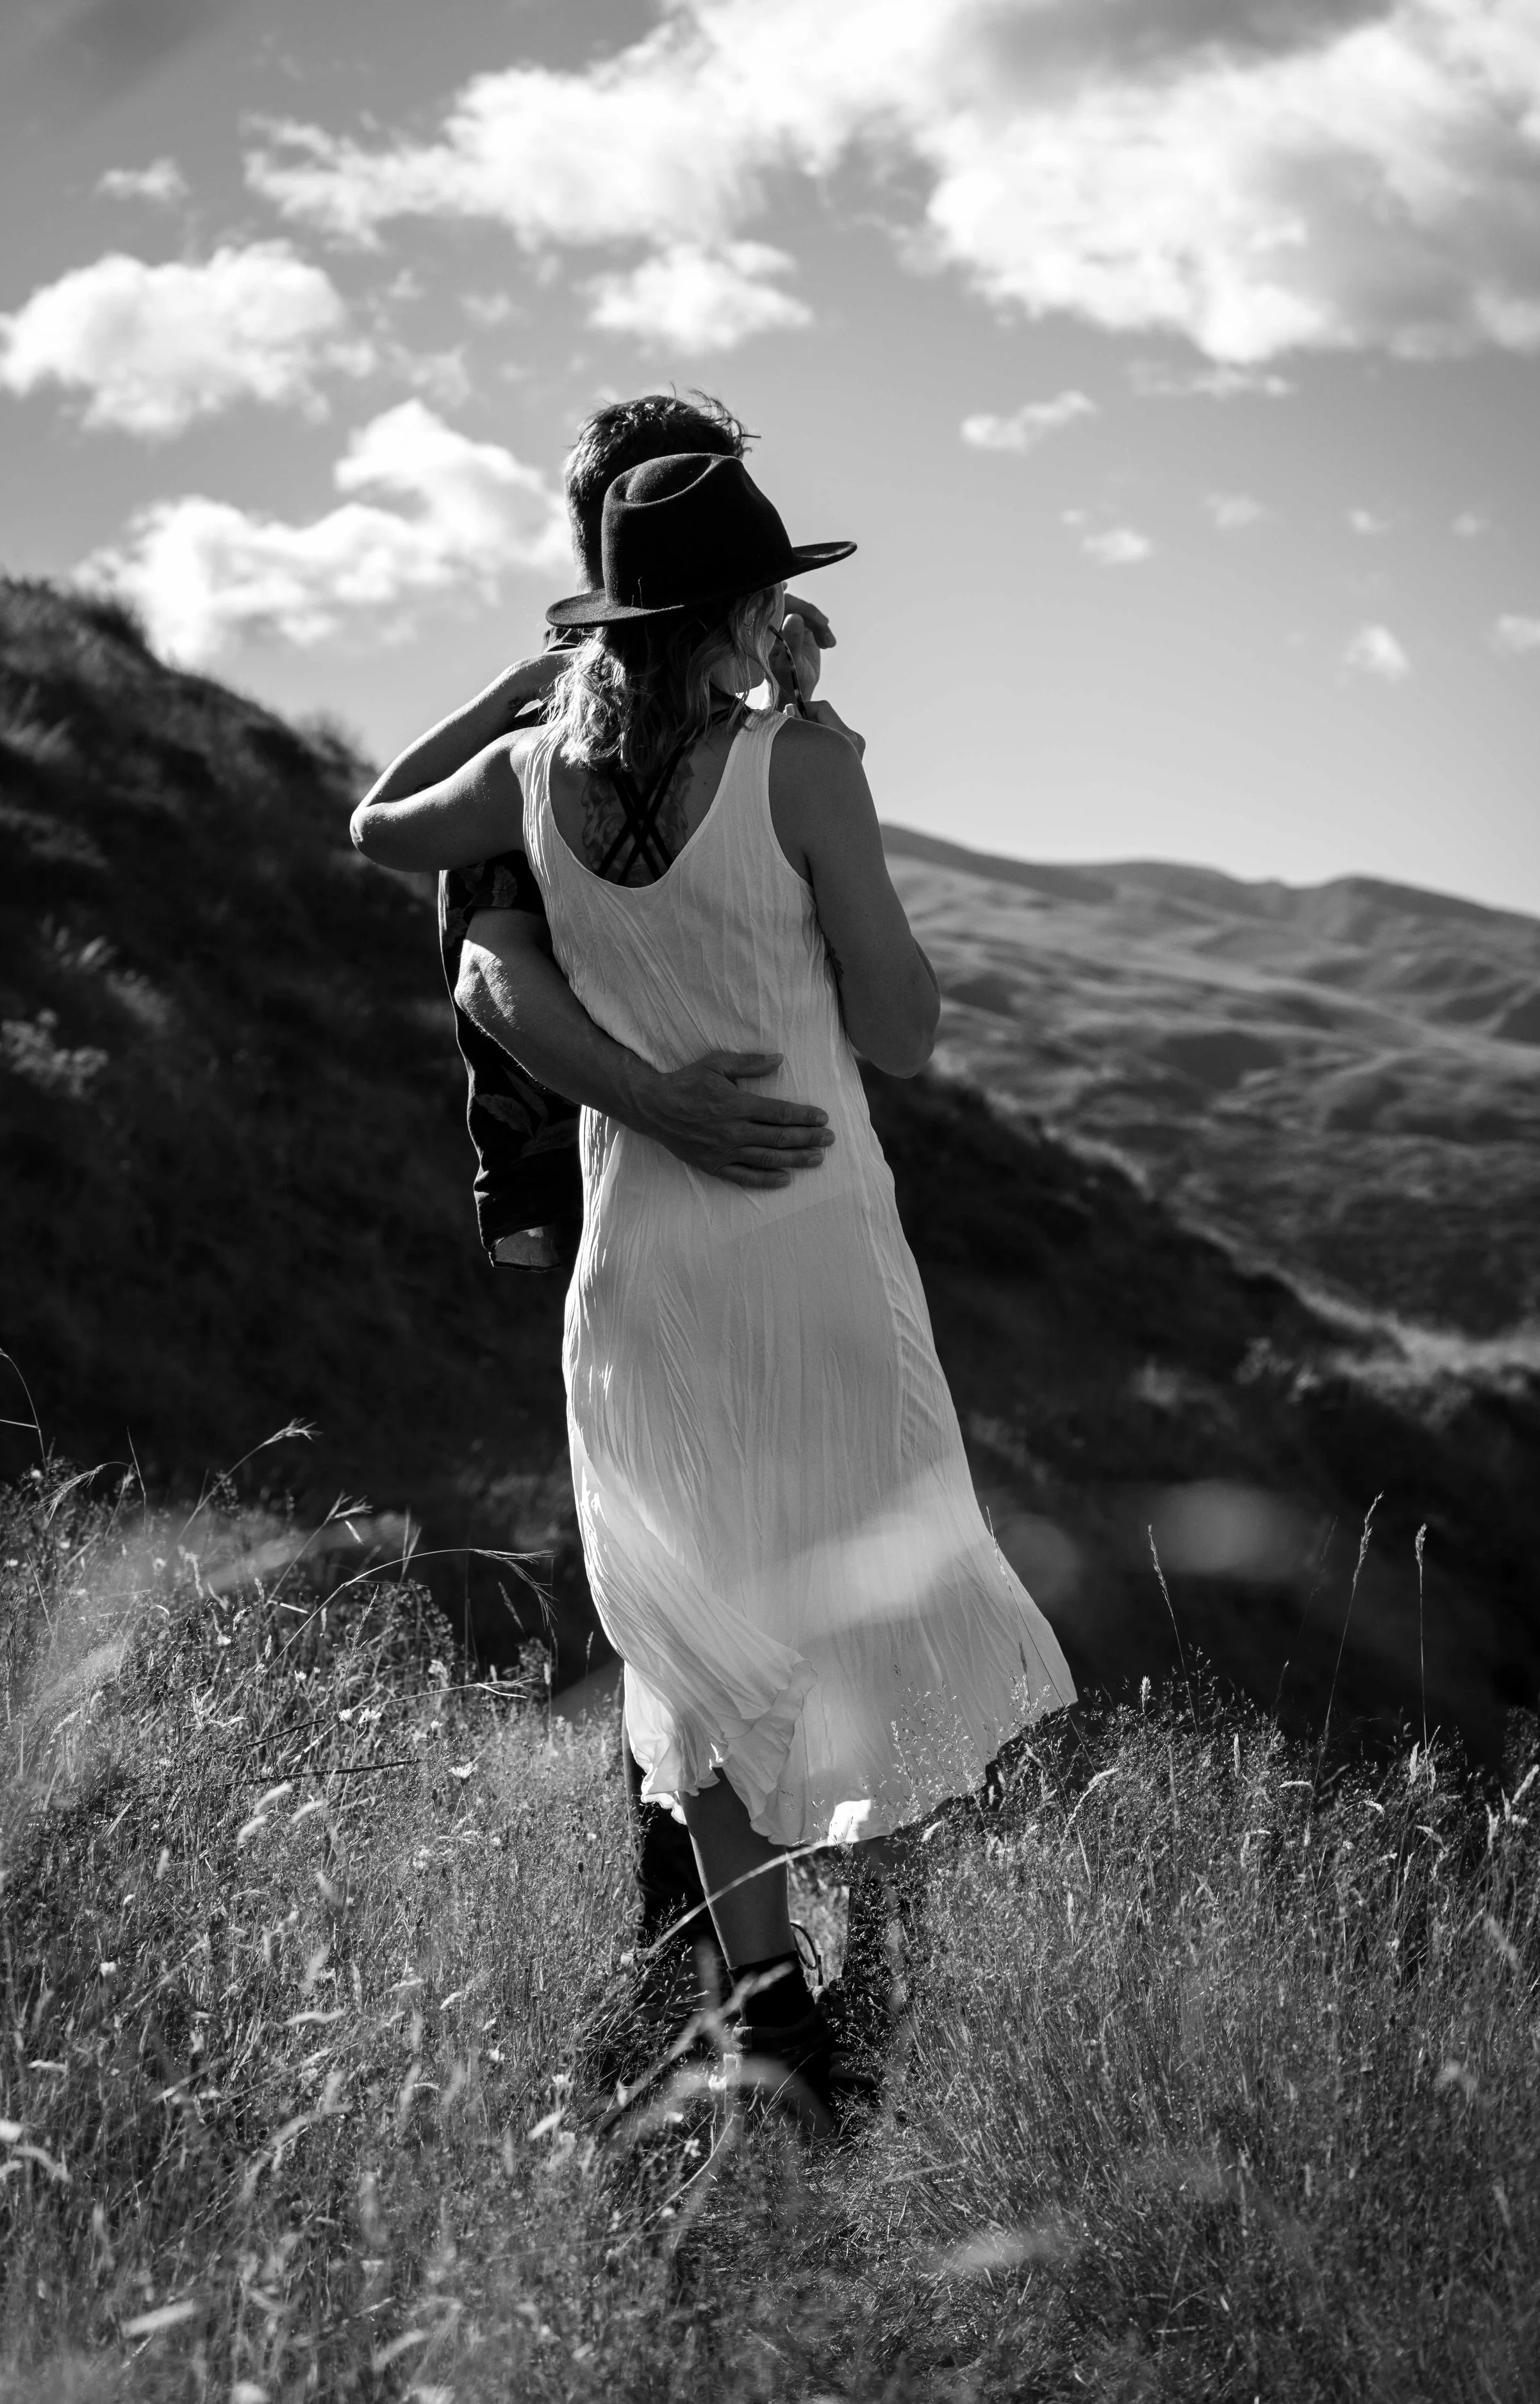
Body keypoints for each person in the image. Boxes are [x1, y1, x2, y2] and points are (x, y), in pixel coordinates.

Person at [352, 451, 1077, 2121]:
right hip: (809, 1245)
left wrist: (530, 679)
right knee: (868, 1595)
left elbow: (377, 821)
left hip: (645, 1262)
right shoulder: (798, 766)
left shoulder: (528, 772)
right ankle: (876, 1963)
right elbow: (901, 1028)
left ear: (611, 622)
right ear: (743, 610)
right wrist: (837, 835)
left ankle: (768, 2001)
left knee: (694, 1627)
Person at [433, 392, 850, 1980]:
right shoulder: (555, 741)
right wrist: (659, 1105)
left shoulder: (728, 724)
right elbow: (490, 969)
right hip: (608, 1176)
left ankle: (764, 1966)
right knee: (676, 1576)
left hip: (734, 1182)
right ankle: (708, 1966)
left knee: (765, 1559)